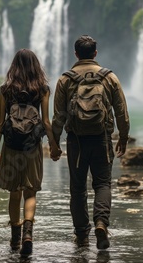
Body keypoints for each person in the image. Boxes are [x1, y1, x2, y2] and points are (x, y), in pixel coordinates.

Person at [51, 35, 130, 249]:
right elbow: (121, 111)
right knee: (103, 183)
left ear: (76, 54)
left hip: (76, 141)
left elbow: (58, 116)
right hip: (102, 139)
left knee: (77, 189)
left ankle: (81, 235)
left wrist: (54, 143)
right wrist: (123, 136)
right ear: (95, 53)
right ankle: (101, 223)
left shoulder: (65, 79)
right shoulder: (109, 77)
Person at [0, 48, 62, 256]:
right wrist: (53, 145)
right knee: (30, 191)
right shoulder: (42, 89)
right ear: (36, 66)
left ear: (14, 66)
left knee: (15, 192)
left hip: (11, 145)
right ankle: (28, 235)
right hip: (32, 146)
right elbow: (46, 122)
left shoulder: (6, 89)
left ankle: (14, 239)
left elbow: (0, 122)